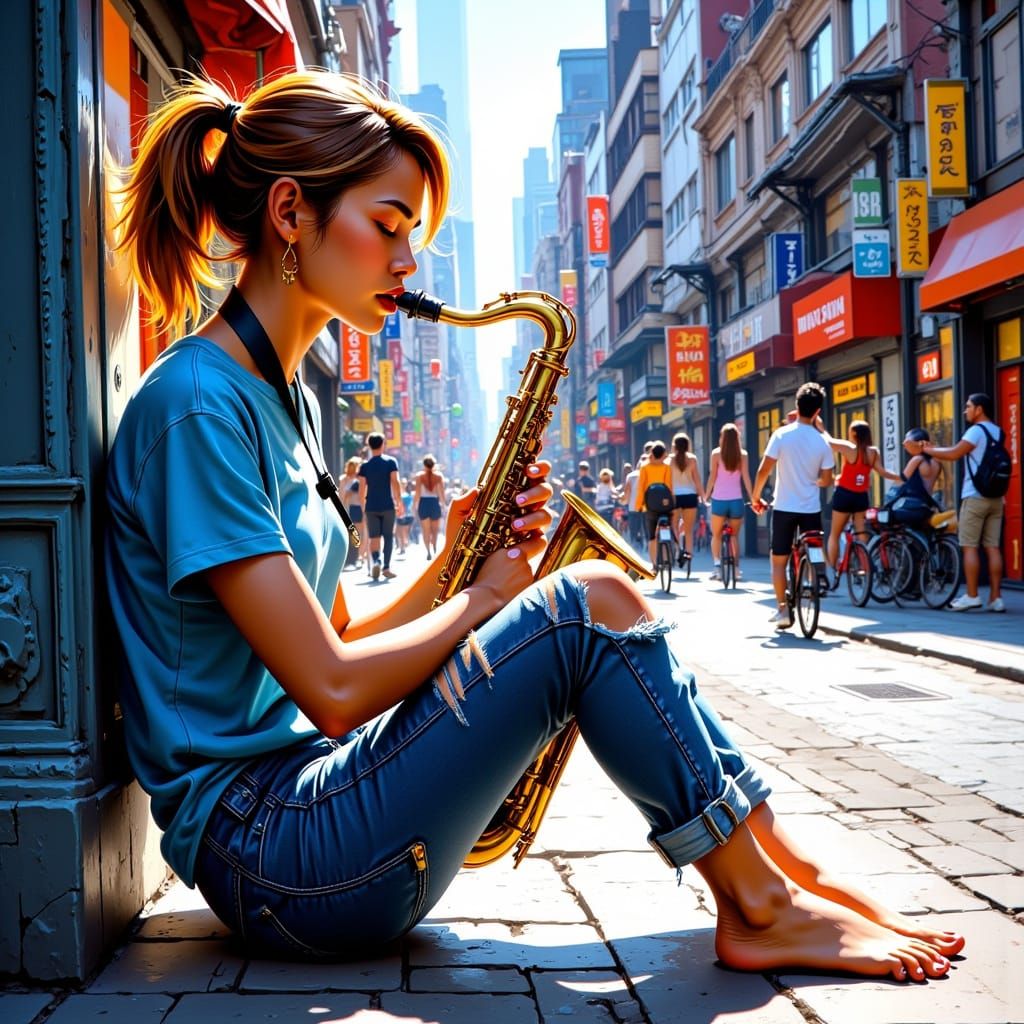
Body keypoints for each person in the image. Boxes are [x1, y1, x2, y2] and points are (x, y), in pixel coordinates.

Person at [103, 71, 962, 979]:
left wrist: (454, 568)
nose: (407, 262)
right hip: (272, 852)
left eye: (415, 237)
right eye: (388, 226)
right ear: (289, 212)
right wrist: (482, 601)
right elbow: (332, 686)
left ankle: (780, 865)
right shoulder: (198, 405)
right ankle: (760, 905)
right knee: (588, 600)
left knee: (599, 598)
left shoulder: (278, 400)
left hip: (317, 811)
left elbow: (340, 638)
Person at [751, 383, 835, 629]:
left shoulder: (782, 435)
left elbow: (764, 469)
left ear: (796, 407)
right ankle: (813, 574)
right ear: (817, 411)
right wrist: (813, 481)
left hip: (784, 508)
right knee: (812, 545)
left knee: (779, 561)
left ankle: (783, 610)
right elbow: (827, 480)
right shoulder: (823, 442)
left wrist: (756, 497)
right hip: (811, 510)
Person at [924, 393, 1006, 612]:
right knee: (992, 547)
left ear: (979, 409)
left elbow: (953, 453)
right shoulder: (998, 431)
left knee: (969, 546)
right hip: (996, 498)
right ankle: (996, 598)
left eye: (968, 407)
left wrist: (928, 450)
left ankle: (972, 595)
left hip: (975, 496)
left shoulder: (976, 431)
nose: (965, 410)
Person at [823, 420, 902, 573]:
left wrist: (820, 426)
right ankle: (864, 568)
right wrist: (901, 478)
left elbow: (828, 441)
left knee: (834, 534)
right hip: (861, 497)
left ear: (854, 433)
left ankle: (832, 569)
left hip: (844, 494)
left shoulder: (849, 448)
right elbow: (883, 472)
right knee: (861, 533)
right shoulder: (873, 452)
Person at [705, 423, 753, 581]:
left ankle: (717, 567)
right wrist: (753, 497)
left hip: (719, 500)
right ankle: (737, 569)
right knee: (734, 536)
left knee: (716, 535)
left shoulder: (716, 454)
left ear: (723, 438)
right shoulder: (743, 455)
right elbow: (746, 477)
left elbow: (712, 477)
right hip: (736, 500)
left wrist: (706, 495)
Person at [359, 432, 402, 579]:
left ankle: (376, 560)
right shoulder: (391, 462)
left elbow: (361, 489)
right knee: (388, 537)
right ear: (383, 444)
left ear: (369, 446)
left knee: (374, 538)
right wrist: (399, 502)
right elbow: (395, 483)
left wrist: (363, 507)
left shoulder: (365, 466)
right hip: (388, 505)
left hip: (371, 506)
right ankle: (386, 568)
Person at [669, 432, 705, 566]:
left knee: (674, 526)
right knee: (689, 529)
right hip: (690, 496)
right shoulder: (692, 459)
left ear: (674, 446)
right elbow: (697, 480)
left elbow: (667, 480)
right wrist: (703, 496)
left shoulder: (669, 460)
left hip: (674, 497)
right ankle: (689, 553)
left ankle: (678, 550)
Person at [636, 441, 673, 569]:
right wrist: (672, 502)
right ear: (663, 454)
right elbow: (669, 486)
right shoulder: (667, 467)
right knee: (666, 527)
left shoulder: (644, 467)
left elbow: (641, 488)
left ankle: (654, 564)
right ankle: (667, 557)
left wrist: (639, 505)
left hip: (649, 505)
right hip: (664, 504)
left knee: (651, 536)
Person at [414, 454, 446, 560]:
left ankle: (428, 550)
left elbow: (417, 493)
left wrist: (414, 506)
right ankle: (435, 547)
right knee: (435, 530)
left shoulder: (419, 476)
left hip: (423, 503)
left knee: (425, 530)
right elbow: (441, 493)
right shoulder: (439, 476)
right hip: (434, 502)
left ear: (424, 464)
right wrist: (444, 506)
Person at [340, 456, 366, 570]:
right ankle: (351, 558)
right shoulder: (343, 479)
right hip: (348, 509)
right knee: (351, 534)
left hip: (358, 508)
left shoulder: (361, 479)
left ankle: (358, 557)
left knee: (357, 534)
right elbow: (341, 496)